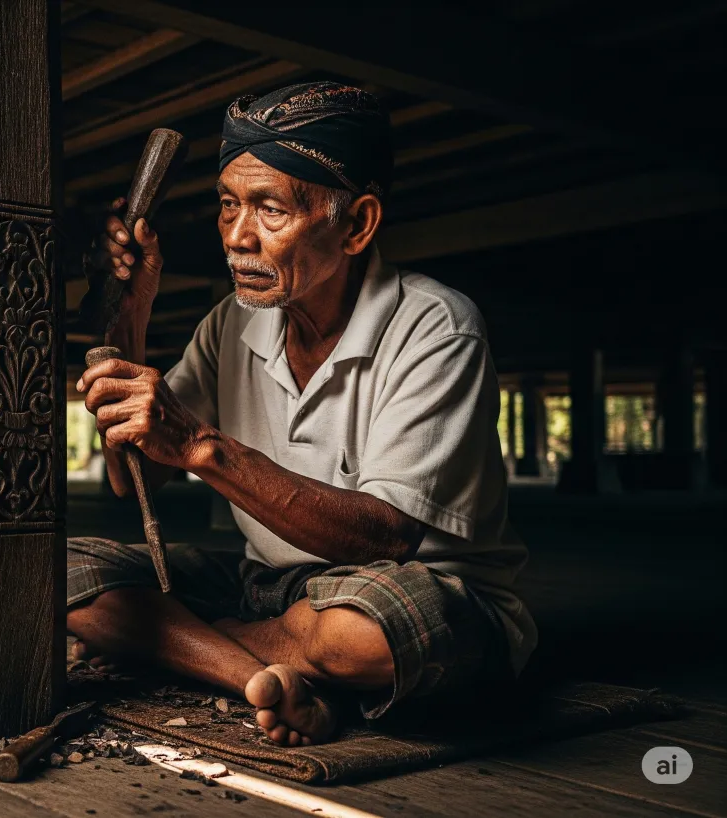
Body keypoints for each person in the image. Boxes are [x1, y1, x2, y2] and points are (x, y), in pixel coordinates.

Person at [69, 81, 537, 746]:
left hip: (416, 592)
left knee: (361, 636)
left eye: (270, 210)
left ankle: (191, 646)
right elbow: (132, 479)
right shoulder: (232, 323)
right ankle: (264, 678)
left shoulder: (435, 326)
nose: (237, 238)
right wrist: (134, 312)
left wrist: (202, 445)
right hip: (268, 591)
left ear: (357, 223)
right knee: (64, 570)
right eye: (227, 207)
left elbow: (383, 539)